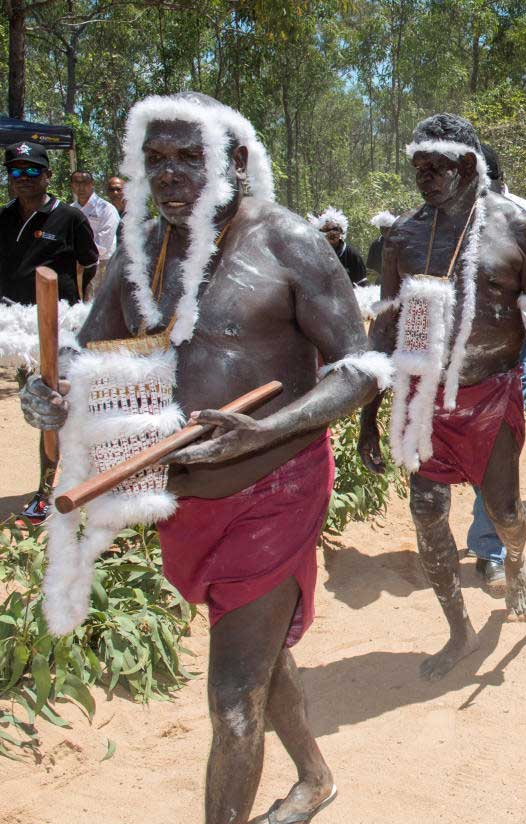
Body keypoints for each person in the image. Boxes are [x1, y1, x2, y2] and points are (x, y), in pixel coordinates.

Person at [20, 92, 388, 824]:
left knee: (231, 702)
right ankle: (314, 778)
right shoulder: (139, 252)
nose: (170, 175)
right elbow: (89, 366)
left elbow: (359, 367)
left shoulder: (288, 241)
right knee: (255, 655)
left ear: (237, 162)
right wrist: (55, 400)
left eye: (191, 157)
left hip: (275, 486)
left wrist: (266, 431)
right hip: (184, 499)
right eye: (156, 160)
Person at [358, 113, 526, 679]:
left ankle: (515, 557)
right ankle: (459, 630)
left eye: (435, 168)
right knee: (425, 509)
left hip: (493, 395)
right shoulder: (404, 235)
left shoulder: (518, 227)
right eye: (417, 168)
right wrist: (368, 418)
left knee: (504, 512)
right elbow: (385, 329)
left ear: (468, 166)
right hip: (426, 400)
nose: (423, 178)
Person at [462, 142, 526, 590]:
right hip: (453, 367)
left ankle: (492, 548)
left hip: (511, 357)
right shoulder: (439, 223)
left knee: (496, 450)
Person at [2, 140, 99, 523]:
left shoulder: (70, 217)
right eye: (15, 171)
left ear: (48, 175)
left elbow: (88, 265)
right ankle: (51, 485)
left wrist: (74, 308)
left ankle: (47, 492)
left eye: (31, 171)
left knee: (56, 409)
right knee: (37, 408)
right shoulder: (3, 218)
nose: (24, 179)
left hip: (58, 327)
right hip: (15, 332)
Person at [69, 170, 121, 297]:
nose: (81, 187)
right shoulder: (70, 209)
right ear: (72, 186)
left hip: (102, 264)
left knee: (100, 305)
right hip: (76, 266)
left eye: (85, 183)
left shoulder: (106, 209)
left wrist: (84, 257)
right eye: (77, 183)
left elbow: (104, 242)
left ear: (92, 184)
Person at [309, 207, 367, 286]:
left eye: (335, 229)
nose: (332, 233)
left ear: (341, 231)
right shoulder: (313, 254)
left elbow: (362, 286)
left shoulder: (352, 255)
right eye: (327, 230)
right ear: (319, 232)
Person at [366, 210, 397, 281]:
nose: (384, 231)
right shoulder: (375, 244)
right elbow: (370, 266)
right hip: (379, 282)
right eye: (382, 228)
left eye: (387, 229)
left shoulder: (398, 243)